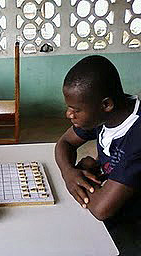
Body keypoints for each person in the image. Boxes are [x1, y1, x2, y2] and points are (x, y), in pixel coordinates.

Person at [55, 55, 141, 255]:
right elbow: (63, 144)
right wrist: (70, 173)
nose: (69, 115)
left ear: (106, 104)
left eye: (75, 110)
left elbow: (102, 209)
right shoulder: (107, 115)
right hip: (115, 198)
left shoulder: (136, 136)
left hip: (133, 222)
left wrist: (82, 178)